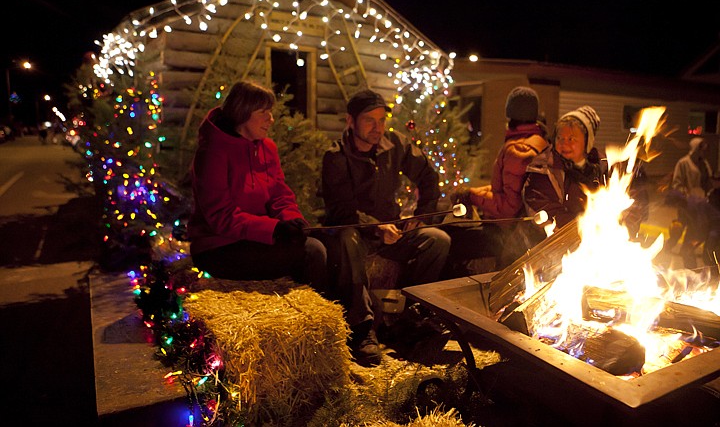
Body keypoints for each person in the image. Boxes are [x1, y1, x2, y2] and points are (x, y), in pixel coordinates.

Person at [320, 88, 451, 366]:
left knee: (437, 240)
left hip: (392, 231)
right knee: (347, 238)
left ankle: (408, 319)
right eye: (369, 120)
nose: (377, 128)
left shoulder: (395, 144)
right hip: (356, 231)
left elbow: (429, 175)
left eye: (382, 120)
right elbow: (341, 211)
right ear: (350, 121)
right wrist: (377, 228)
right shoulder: (336, 156)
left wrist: (423, 215)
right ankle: (362, 329)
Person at [187, 81, 327, 292]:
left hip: (256, 238)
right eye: (264, 112)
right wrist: (273, 229)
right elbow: (221, 216)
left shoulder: (267, 148)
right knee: (311, 253)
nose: (271, 119)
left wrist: (291, 220)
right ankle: (308, 316)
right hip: (219, 246)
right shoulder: (213, 152)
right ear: (242, 112)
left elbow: (279, 194)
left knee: (322, 243)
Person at [449, 86, 549, 269]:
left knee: (449, 241)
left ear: (510, 113)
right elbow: (504, 190)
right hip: (520, 229)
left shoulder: (518, 150)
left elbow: (508, 208)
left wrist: (471, 197)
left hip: (506, 233)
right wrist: (471, 192)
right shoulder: (539, 141)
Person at [523, 106, 606, 230]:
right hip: (551, 241)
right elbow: (543, 207)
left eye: (571, 139)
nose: (564, 144)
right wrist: (584, 228)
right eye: (559, 138)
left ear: (587, 142)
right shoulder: (544, 169)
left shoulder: (602, 166)